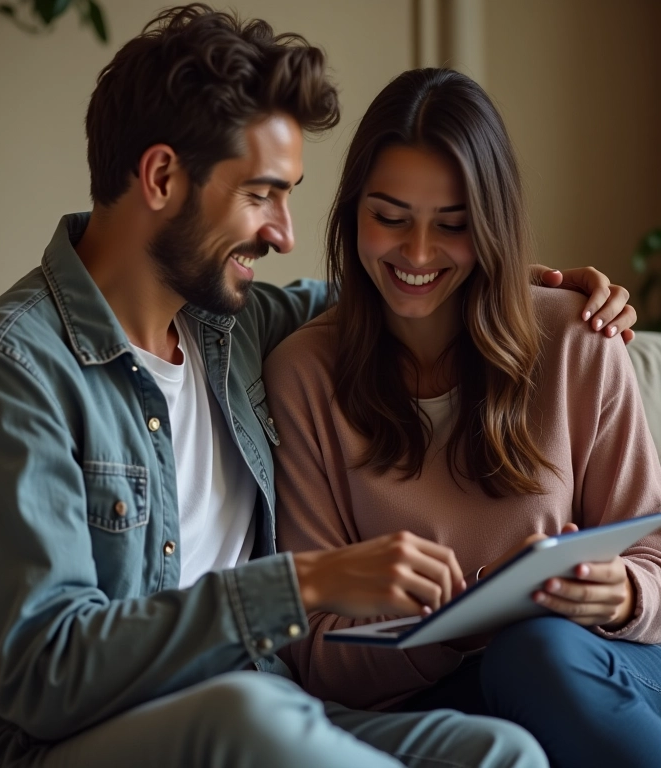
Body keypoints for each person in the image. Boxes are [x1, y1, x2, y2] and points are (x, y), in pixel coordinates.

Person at [0, 7, 633, 767]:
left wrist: (529, 287)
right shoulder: (8, 376)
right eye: (261, 194)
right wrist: (305, 585)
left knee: (496, 751)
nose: (284, 233)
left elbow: (400, 286)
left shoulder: (235, 329)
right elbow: (45, 674)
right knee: (247, 717)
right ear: (160, 177)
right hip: (52, 743)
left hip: (264, 705)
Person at [264, 67, 661, 768]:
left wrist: (623, 593)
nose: (417, 255)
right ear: (352, 211)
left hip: (595, 668)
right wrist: (450, 625)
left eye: (453, 226)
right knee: (518, 654)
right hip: (438, 704)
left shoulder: (577, 337)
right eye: (389, 218)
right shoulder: (304, 375)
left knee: (536, 649)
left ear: (492, 227)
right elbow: (317, 648)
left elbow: (653, 553)